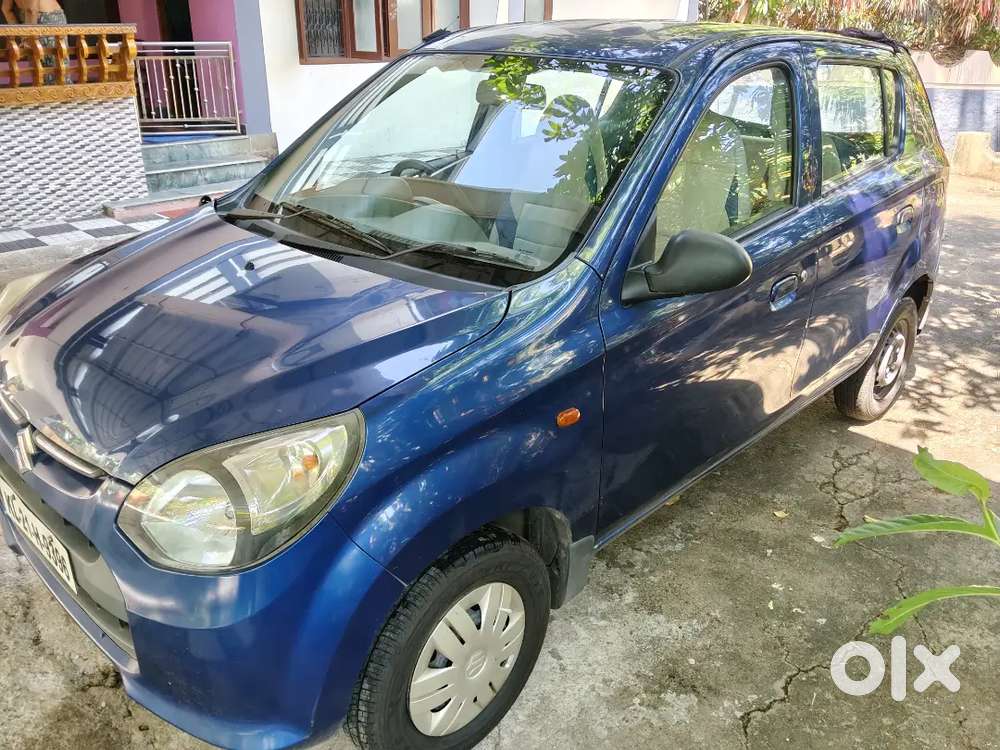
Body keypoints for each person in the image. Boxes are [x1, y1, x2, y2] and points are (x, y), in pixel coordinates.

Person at [1, 0, 67, 84]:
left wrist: (23, 35)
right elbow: (31, 9)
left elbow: (6, 9)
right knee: (57, 71)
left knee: (41, 72)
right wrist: (25, 36)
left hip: (35, 21)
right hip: (46, 19)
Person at [2, 0, 66, 26]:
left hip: (48, 18)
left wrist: (24, 36)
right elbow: (6, 9)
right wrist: (19, 32)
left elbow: (32, 9)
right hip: (44, 17)